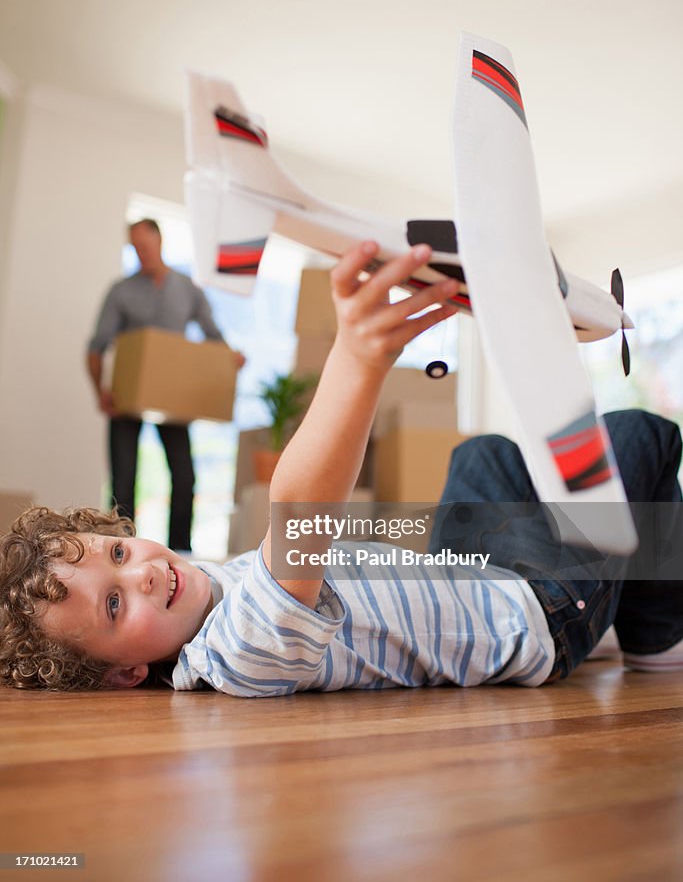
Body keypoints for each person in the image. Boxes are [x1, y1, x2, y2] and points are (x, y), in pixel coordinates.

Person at [2, 241, 681, 693]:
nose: (141, 571)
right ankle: (654, 635)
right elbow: (299, 514)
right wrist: (357, 359)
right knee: (638, 434)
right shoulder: (241, 654)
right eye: (114, 604)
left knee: (480, 454)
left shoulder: (203, 582)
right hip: (539, 619)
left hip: (475, 576)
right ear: (128, 673)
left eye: (117, 550)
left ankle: (603, 574)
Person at [87, 218, 245, 552]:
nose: (141, 253)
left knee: (185, 478)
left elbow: (213, 336)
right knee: (123, 483)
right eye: (135, 248)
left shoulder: (187, 289)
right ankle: (120, 551)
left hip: (171, 399)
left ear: (159, 242)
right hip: (126, 399)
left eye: (145, 246)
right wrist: (99, 391)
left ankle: (180, 552)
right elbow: (96, 347)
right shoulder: (121, 291)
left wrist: (230, 359)